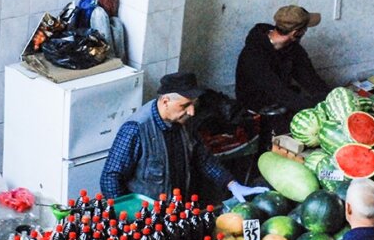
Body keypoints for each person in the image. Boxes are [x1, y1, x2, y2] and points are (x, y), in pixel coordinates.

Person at [100, 72, 267, 202]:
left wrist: (232, 184)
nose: (191, 112)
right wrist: (125, 215)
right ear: (165, 101)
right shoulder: (136, 129)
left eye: (194, 105)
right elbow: (110, 178)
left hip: (176, 209)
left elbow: (203, 159)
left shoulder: (185, 123)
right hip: (146, 216)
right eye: (185, 105)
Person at [235, 5, 331, 117]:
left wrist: (331, 99)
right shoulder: (253, 55)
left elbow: (311, 79)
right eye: (305, 28)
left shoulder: (293, 48)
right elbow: (278, 92)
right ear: (296, 33)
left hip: (281, 96)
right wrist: (315, 108)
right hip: (257, 106)